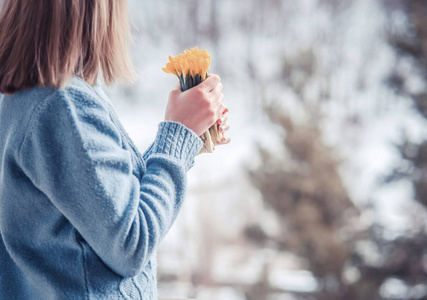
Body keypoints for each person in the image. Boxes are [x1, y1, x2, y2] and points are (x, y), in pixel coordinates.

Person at [0, 0, 230, 299]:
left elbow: (106, 206)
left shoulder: (34, 98)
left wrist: (185, 140)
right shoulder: (62, 106)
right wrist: (178, 135)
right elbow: (131, 242)